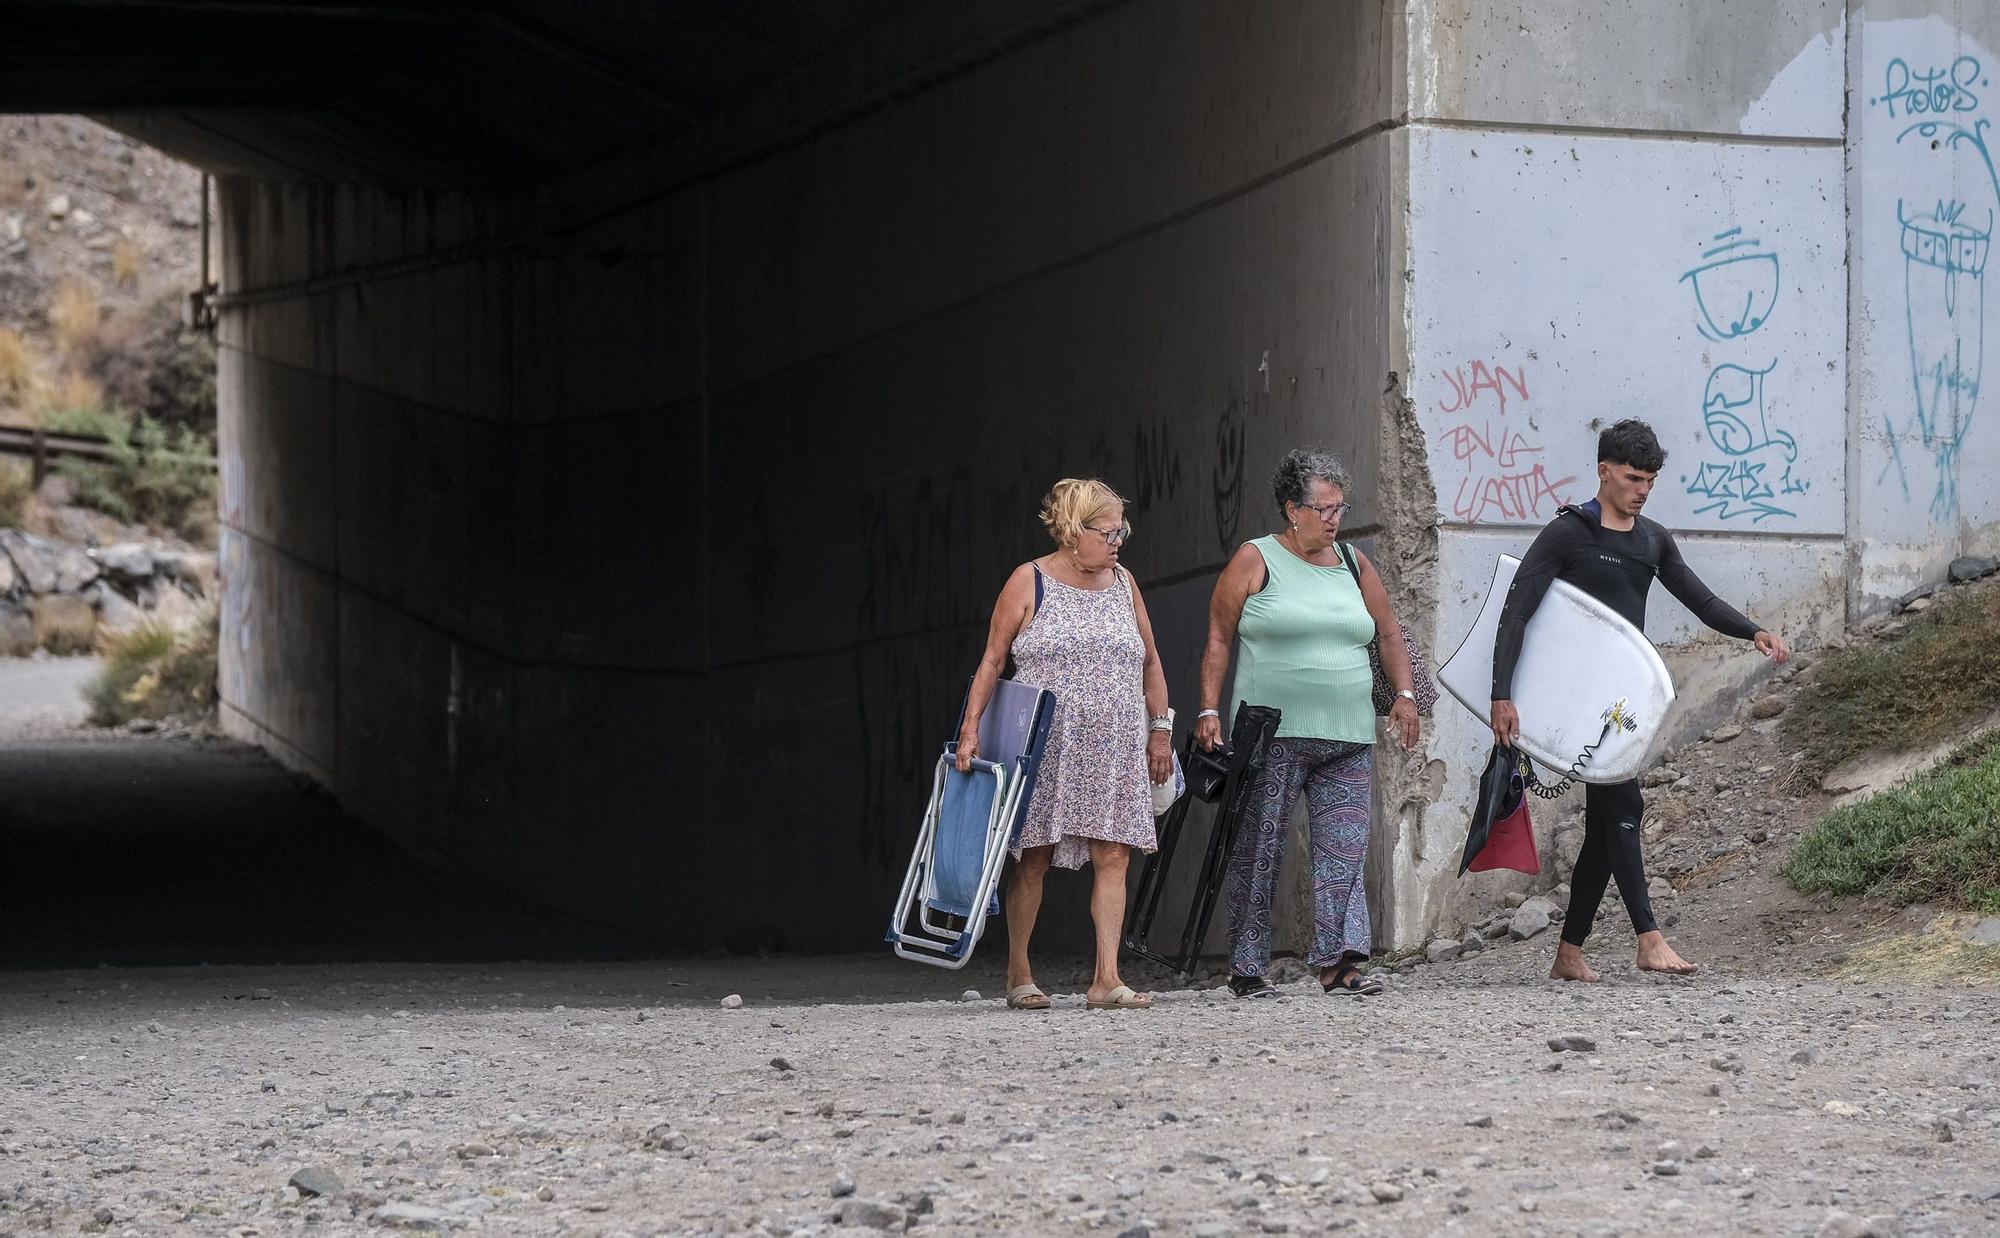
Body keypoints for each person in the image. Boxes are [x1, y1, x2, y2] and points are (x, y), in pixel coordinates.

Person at [1490, 418, 1790, 981]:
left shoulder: (1652, 539)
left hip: (1619, 701)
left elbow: (1698, 598)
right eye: (1632, 478)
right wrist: (1502, 695)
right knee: (1623, 806)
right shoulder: (1569, 534)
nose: (1642, 489)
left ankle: (1569, 952)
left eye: (1650, 480)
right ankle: (1648, 941)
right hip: (1572, 700)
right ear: (1603, 471)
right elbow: (1516, 611)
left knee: (1612, 816)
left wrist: (1753, 631)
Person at [1196, 449, 1420, 999]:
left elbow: (1388, 633)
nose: (1333, 519)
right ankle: (1247, 967)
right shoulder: (1255, 559)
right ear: (1291, 509)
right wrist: (1207, 709)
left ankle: (1338, 965)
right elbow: (1219, 639)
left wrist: (1405, 695)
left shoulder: (1353, 563)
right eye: (1322, 508)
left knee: (1342, 849)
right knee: (1259, 848)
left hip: (1347, 733)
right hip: (1271, 734)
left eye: (1340, 508)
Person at [957, 478, 1173, 1010]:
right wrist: (970, 729)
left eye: (1123, 529)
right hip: (1047, 746)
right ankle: (1019, 973)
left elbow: (1150, 661)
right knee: (1034, 857)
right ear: (1074, 532)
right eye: (1109, 530)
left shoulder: (1124, 583)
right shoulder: (1028, 582)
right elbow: (992, 660)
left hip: (1117, 745)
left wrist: (1161, 727)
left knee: (1114, 854)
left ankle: (1106, 978)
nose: (1119, 539)